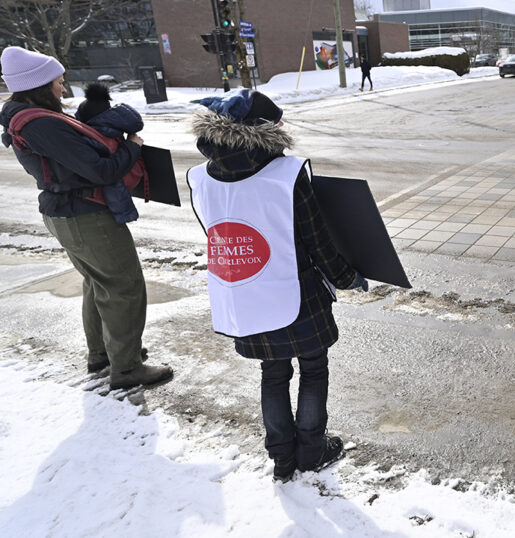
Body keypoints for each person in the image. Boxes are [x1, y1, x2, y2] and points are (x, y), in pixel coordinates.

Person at [187, 89, 367, 482]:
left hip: (245, 293)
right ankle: (312, 450)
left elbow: (219, 235)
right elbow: (317, 239)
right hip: (295, 291)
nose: (283, 125)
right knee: (314, 369)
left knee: (273, 372)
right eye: (277, 120)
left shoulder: (199, 176)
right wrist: (346, 277)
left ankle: (282, 458)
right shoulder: (286, 174)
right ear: (263, 128)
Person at [0, 46, 172, 388]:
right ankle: (127, 368)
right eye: (58, 82)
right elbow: (100, 170)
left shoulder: (27, 116)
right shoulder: (41, 123)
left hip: (69, 211)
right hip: (86, 215)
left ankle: (104, 354)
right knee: (124, 286)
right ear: (39, 85)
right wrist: (132, 147)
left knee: (98, 283)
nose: (63, 88)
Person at [74, 82, 144, 224]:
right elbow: (110, 180)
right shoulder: (110, 131)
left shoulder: (91, 135)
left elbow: (109, 179)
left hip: (97, 198)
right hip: (107, 195)